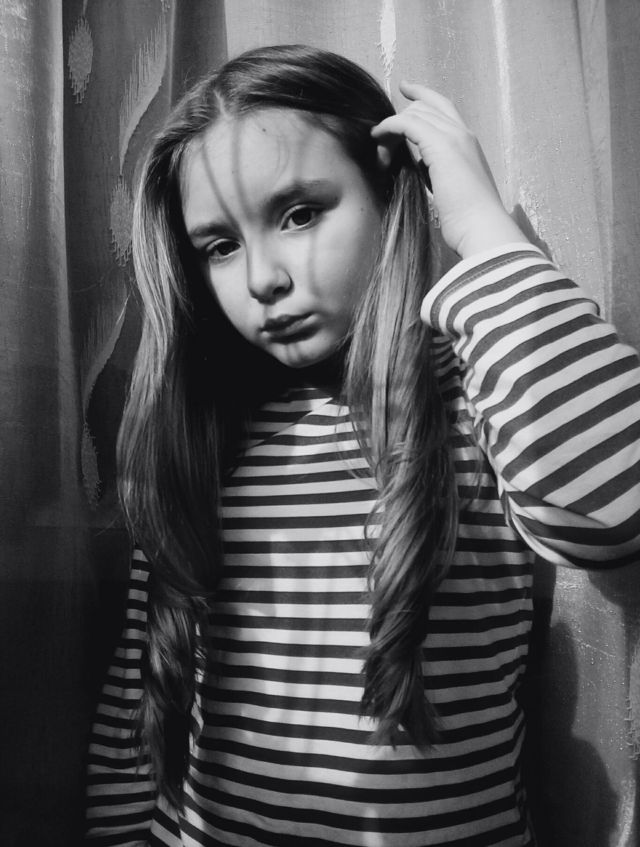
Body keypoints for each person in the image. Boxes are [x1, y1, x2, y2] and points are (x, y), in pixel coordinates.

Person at [85, 44, 640, 846]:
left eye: (300, 213)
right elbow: (139, 701)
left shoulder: (475, 396)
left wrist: (483, 229)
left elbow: (614, 509)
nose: (263, 277)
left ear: (388, 192)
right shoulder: (200, 434)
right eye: (220, 245)